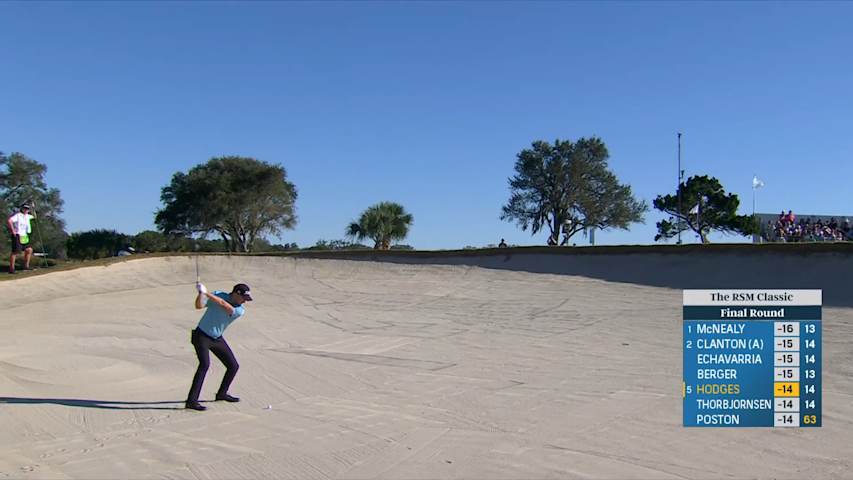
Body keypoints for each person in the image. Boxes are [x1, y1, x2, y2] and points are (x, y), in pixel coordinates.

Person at [186, 282, 253, 411]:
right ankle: (191, 401)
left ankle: (222, 393)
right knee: (204, 365)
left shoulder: (239, 310)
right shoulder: (218, 295)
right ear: (236, 294)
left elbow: (224, 305)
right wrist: (200, 294)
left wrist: (206, 293)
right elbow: (198, 306)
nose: (245, 302)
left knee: (233, 366)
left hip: (217, 339)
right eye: (244, 298)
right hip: (201, 336)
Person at [7, 202, 36, 274]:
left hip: (25, 235)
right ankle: (11, 269)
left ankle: (26, 266)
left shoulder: (28, 216)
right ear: (22, 209)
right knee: (15, 252)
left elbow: (35, 216)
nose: (26, 210)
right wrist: (13, 230)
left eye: (27, 209)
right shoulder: (18, 215)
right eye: (25, 208)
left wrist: (33, 208)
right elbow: (9, 220)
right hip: (17, 235)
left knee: (29, 250)